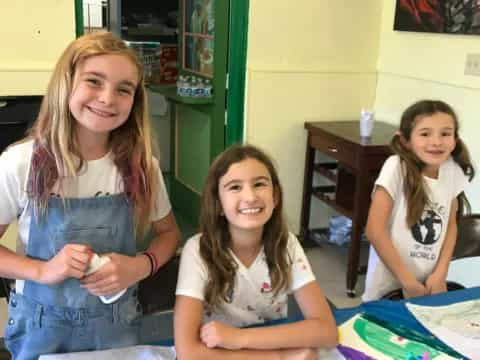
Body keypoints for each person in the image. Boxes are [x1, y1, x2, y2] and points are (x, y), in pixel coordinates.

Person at [0, 31, 180, 359]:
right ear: (65, 84)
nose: (108, 98)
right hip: (41, 326)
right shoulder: (20, 162)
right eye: (94, 81)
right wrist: (42, 271)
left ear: (135, 100)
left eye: (123, 89)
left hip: (116, 322)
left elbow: (168, 234)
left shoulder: (142, 166)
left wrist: (140, 266)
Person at [174, 145, 338, 360]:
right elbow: (188, 352)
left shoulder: (286, 243)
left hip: (254, 345)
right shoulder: (198, 250)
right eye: (234, 187)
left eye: (259, 184)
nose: (250, 197)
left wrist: (238, 339)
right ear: (218, 204)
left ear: (275, 196)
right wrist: (281, 357)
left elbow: (327, 332)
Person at [363, 100, 474, 302]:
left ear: (455, 138)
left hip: (430, 285)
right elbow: (374, 230)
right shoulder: (396, 167)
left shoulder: (452, 170)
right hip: (389, 286)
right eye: (425, 134)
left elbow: (450, 226)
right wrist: (407, 282)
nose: (436, 142)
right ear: (405, 140)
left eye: (445, 133)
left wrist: (440, 274)